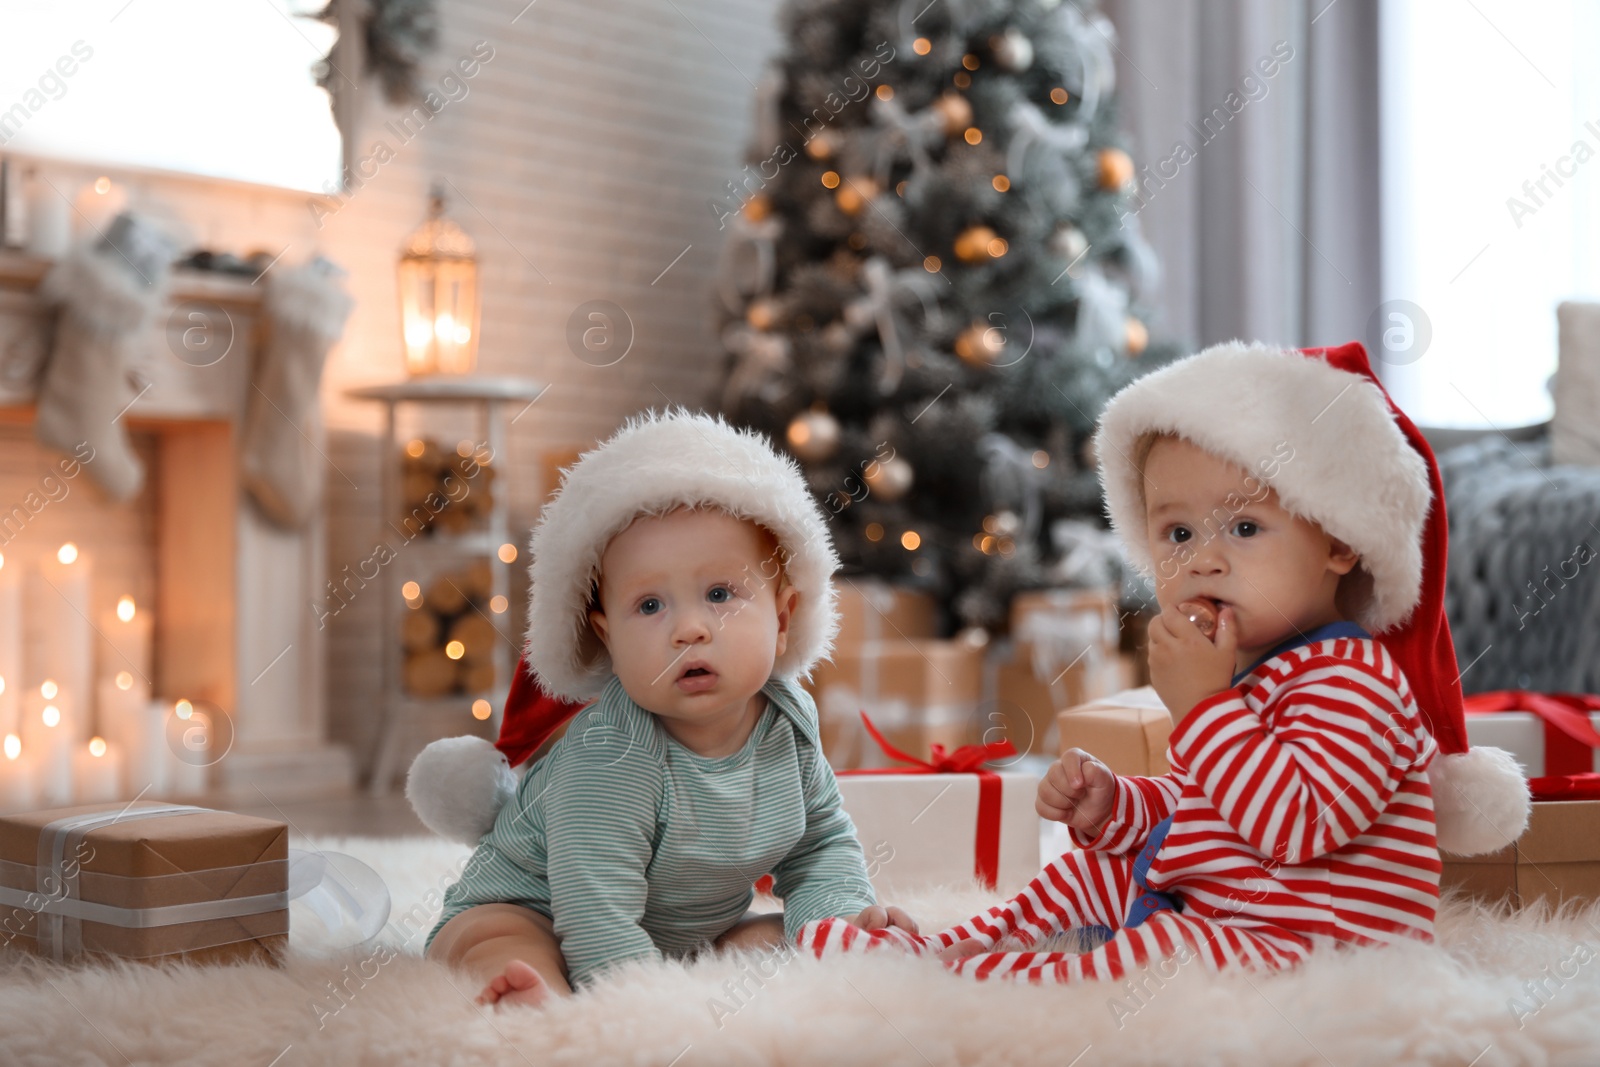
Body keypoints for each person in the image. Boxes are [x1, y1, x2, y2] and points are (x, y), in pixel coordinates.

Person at [796, 339, 1529, 983]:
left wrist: (1205, 709)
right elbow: (1203, 813)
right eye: (1177, 531)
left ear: (1341, 540)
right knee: (1095, 868)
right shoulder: (1251, 674)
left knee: (1170, 944)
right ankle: (957, 944)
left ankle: (993, 977)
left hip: (1322, 947)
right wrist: (1117, 806)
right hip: (1240, 916)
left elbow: (1294, 826)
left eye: (1244, 526)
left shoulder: (1353, 681)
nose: (1203, 558)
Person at [423, 409, 912, 1008]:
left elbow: (820, 846)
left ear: (782, 619)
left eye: (719, 594)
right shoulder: (611, 755)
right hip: (541, 907)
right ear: (607, 638)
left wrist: (838, 921)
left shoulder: (789, 722)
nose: (688, 629)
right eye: (650, 605)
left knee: (792, 937)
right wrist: (648, 1012)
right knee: (502, 942)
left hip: (684, 932)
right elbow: (593, 906)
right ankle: (536, 1003)